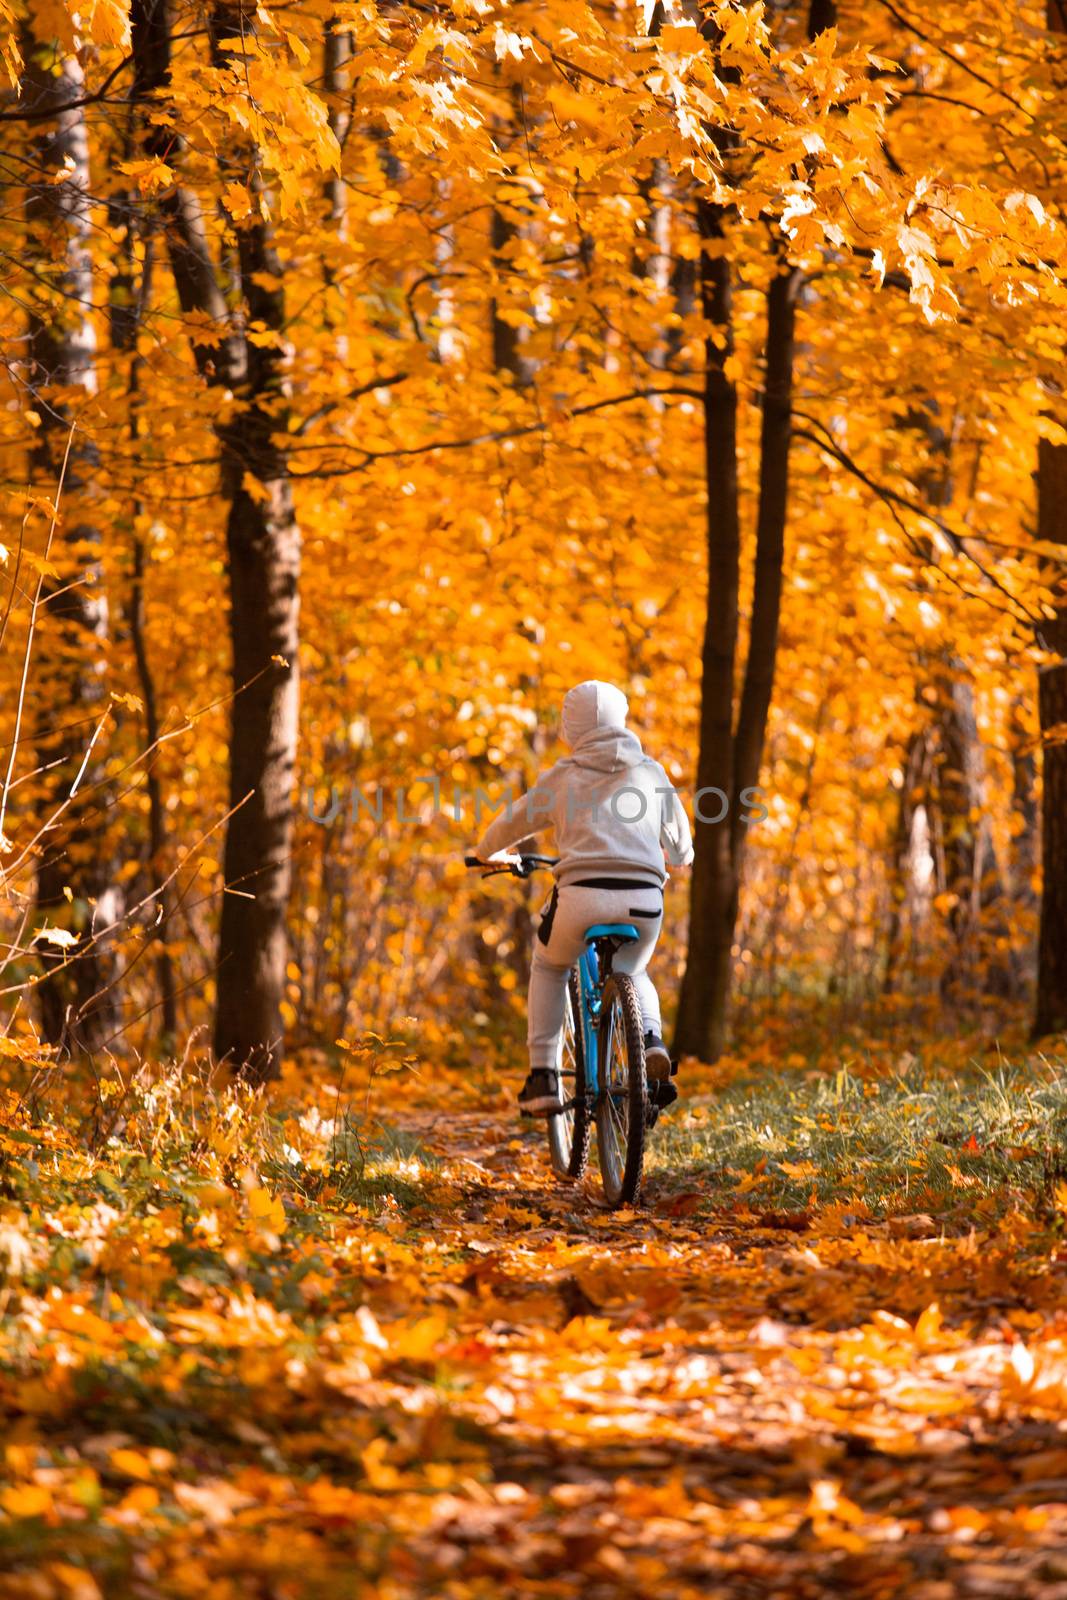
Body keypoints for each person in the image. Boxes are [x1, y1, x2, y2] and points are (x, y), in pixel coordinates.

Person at [474, 680, 694, 1113]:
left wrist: (488, 853)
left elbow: (512, 823)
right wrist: (676, 856)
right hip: (644, 900)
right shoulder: (650, 772)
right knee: (636, 968)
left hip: (580, 898)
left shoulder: (562, 777)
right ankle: (650, 1038)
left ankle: (543, 1076)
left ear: (569, 728)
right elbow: (683, 845)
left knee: (550, 964)